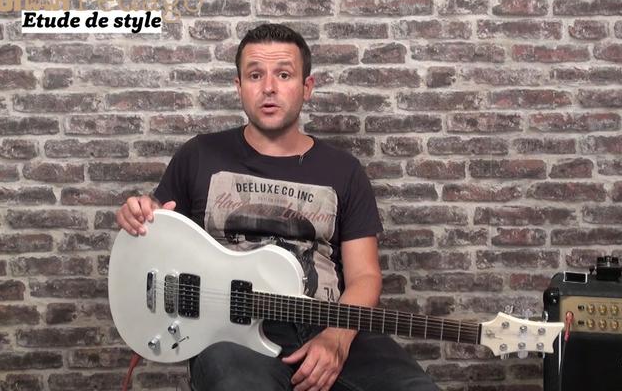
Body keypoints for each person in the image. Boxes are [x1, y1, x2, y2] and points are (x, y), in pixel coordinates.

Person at [115, 24, 439, 391]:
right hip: (230, 332)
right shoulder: (199, 154)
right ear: (239, 86)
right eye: (255, 75)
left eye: (284, 75)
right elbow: (157, 230)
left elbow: (365, 276)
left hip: (328, 321)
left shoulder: (344, 170)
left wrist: (336, 338)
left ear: (307, 87)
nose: (269, 87)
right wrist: (139, 215)